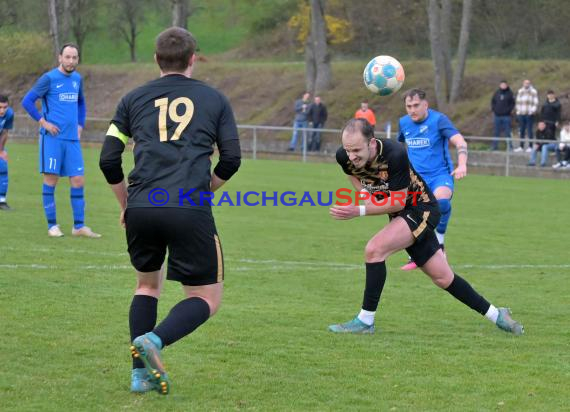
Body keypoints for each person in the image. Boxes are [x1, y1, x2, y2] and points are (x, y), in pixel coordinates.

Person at [99, 27, 241, 395]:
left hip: (143, 205)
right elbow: (232, 159)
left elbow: (108, 158)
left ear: (156, 59)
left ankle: (139, 375)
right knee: (205, 298)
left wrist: (125, 204)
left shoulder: (132, 99)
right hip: (187, 206)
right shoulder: (214, 100)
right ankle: (153, 342)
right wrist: (203, 190)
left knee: (147, 286)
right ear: (193, 58)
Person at [328, 118, 524, 336]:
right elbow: (352, 172)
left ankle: (365, 321)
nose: (351, 156)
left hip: (421, 208)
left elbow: (397, 202)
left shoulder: (394, 153)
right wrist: (365, 194)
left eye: (356, 150)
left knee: (374, 250)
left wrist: (360, 210)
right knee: (443, 277)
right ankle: (498, 315)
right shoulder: (343, 156)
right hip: (401, 214)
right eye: (348, 150)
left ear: (372, 143)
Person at [21, 43, 100, 238]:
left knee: (78, 180)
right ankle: (52, 226)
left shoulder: (77, 79)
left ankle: (79, 227)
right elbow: (27, 101)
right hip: (53, 139)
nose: (71, 61)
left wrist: (80, 124)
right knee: (51, 179)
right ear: (60, 58)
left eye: (74, 58)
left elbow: (81, 103)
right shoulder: (48, 79)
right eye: (67, 57)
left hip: (72, 139)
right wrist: (43, 122)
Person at [397, 89, 467, 271]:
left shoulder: (439, 120)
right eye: (408, 106)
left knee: (442, 203)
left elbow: (460, 142)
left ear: (425, 105)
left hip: (439, 175)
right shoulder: (404, 123)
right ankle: (415, 255)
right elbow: (399, 147)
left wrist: (462, 164)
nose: (412, 110)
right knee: (408, 215)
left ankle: (440, 243)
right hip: (415, 179)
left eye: (416, 105)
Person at [514, 79, 539, 152]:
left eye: (528, 83)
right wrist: (518, 111)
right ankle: (521, 146)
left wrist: (531, 111)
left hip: (529, 114)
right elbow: (518, 102)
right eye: (525, 83)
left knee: (529, 130)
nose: (526, 84)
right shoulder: (520, 91)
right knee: (521, 130)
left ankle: (530, 146)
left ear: (530, 84)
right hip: (521, 114)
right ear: (523, 84)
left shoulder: (533, 91)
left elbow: (535, 103)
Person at [490, 80, 515, 150]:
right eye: (502, 85)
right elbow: (493, 102)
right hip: (497, 116)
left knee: (507, 132)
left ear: (507, 85)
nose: (503, 86)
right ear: (500, 85)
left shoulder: (510, 93)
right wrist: (494, 109)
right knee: (496, 132)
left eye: (504, 85)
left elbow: (513, 104)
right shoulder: (497, 93)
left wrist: (508, 111)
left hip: (506, 116)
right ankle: (494, 146)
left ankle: (510, 146)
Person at [0, 94, 14, 210]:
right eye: (0, 107)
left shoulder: (9, 114)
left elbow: (4, 132)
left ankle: (2, 202)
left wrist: (1, 151)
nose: (2, 110)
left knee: (3, 167)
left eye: (5, 107)